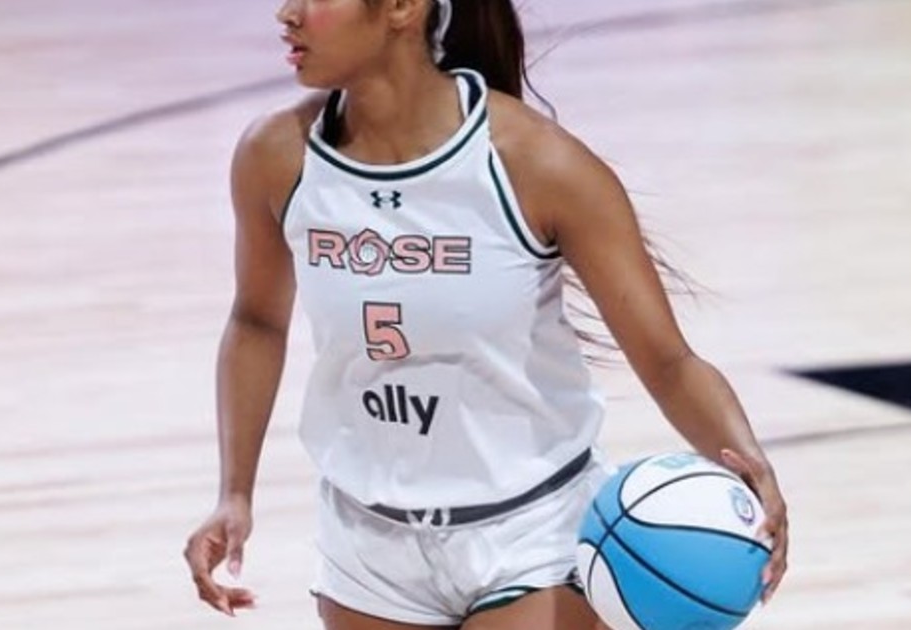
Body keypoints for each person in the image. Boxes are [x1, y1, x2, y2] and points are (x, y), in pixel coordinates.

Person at [183, 0, 789, 627]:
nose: (287, 13)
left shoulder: (538, 163)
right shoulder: (276, 156)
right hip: (366, 538)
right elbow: (256, 322)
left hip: (532, 531)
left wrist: (750, 461)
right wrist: (235, 493)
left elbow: (668, 360)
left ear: (401, 7)